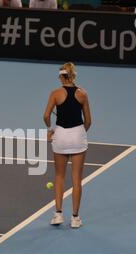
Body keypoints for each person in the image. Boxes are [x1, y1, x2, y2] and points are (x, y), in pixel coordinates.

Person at [43, 62, 92, 229]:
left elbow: (46, 115)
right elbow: (89, 121)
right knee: (77, 179)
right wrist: (79, 133)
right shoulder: (83, 94)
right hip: (78, 136)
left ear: (63, 76)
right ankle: (75, 218)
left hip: (61, 137)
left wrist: (50, 130)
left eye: (59, 75)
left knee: (59, 176)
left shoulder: (55, 93)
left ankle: (58, 214)